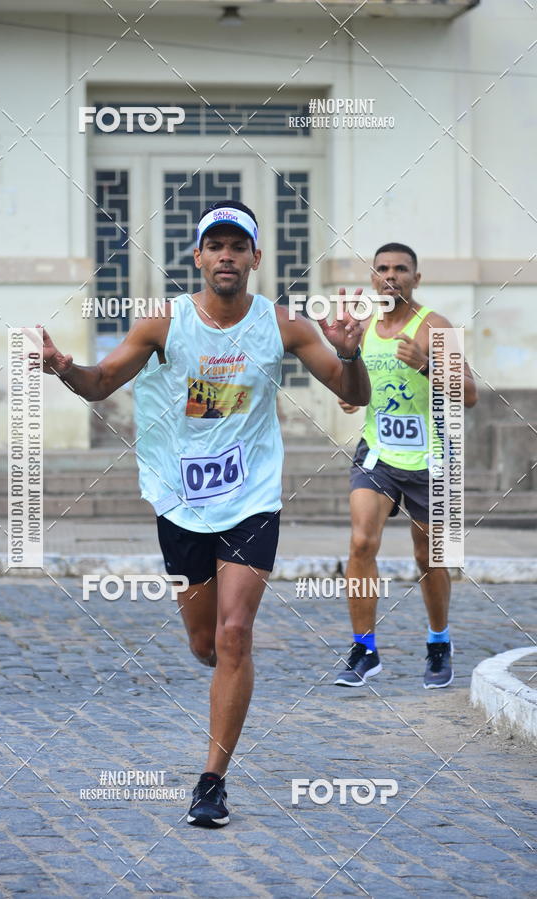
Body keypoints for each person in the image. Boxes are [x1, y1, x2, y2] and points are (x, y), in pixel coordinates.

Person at [38, 200, 371, 827]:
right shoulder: (163, 324)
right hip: (180, 500)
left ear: (255, 258)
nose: (226, 256)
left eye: (237, 246)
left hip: (251, 499)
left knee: (234, 633)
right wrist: (63, 369)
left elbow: (351, 395)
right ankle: (227, 673)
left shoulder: (285, 325)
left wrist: (350, 355)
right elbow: (100, 383)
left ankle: (212, 782)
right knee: (204, 643)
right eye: (215, 246)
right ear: (197, 257)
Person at [334, 242, 478, 690]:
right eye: (383, 269)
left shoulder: (435, 326)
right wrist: (350, 392)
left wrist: (428, 366)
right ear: (373, 277)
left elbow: (471, 394)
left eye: (400, 269)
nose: (391, 276)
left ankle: (439, 642)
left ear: (416, 278)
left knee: (428, 556)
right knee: (361, 542)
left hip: (432, 458)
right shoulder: (364, 325)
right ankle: (364, 649)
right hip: (378, 454)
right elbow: (354, 386)